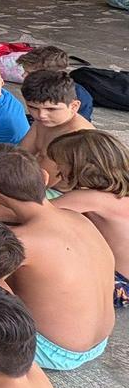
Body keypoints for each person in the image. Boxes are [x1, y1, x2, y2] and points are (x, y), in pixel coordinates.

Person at [0, 145, 114, 369]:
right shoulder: (78, 218)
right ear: (45, 177)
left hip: (54, 350)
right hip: (100, 341)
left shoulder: (18, 242)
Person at [47, 130, 129, 307]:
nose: (58, 169)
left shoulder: (92, 197)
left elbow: (35, 211)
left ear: (79, 168)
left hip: (117, 284)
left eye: (60, 164)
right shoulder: (118, 192)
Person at [15, 70, 93, 187]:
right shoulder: (45, 121)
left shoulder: (75, 136)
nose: (41, 115)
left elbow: (37, 185)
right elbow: (19, 156)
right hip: (36, 181)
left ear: (74, 106)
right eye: (33, 107)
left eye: (51, 109)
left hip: (67, 194)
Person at [17, 46, 93, 121]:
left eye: (29, 73)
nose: (23, 75)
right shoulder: (37, 88)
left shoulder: (77, 94)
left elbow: (80, 126)